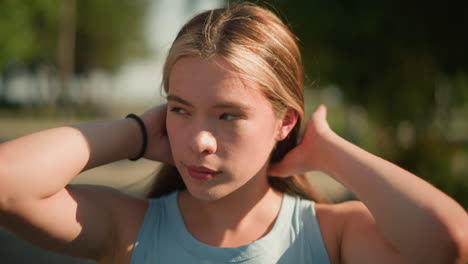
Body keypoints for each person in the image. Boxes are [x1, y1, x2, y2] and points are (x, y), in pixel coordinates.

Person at [0, 3, 467, 264]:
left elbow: (449, 244)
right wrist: (138, 133)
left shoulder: (327, 236)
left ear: (286, 122)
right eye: (181, 109)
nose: (199, 140)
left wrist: (332, 152)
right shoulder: (132, 228)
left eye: (228, 116)